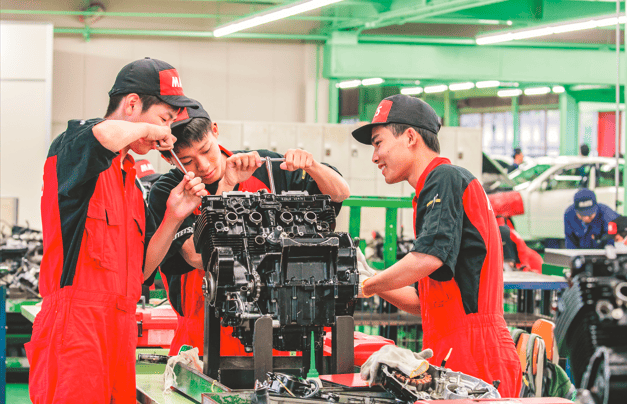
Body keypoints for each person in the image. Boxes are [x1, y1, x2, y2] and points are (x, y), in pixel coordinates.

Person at [28, 57, 208, 404]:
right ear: (132, 104)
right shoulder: (75, 147)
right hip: (75, 332)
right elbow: (103, 134)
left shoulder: (132, 183)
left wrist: (174, 216)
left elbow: (143, 270)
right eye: (164, 119)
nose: (167, 133)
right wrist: (150, 132)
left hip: (120, 333)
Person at [147, 101, 350, 355]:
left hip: (272, 335)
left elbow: (340, 193)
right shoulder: (167, 192)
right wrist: (228, 185)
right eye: (187, 161)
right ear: (168, 157)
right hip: (200, 341)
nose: (203, 166)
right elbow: (198, 256)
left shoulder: (266, 168)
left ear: (215, 130)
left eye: (206, 150)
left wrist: (313, 166)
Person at [351, 94, 521, 398]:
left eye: (378, 143)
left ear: (410, 137)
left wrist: (367, 286)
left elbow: (428, 257)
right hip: (454, 347)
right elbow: (422, 303)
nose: (374, 157)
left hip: (475, 351)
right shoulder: (433, 190)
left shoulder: (444, 178)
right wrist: (369, 279)